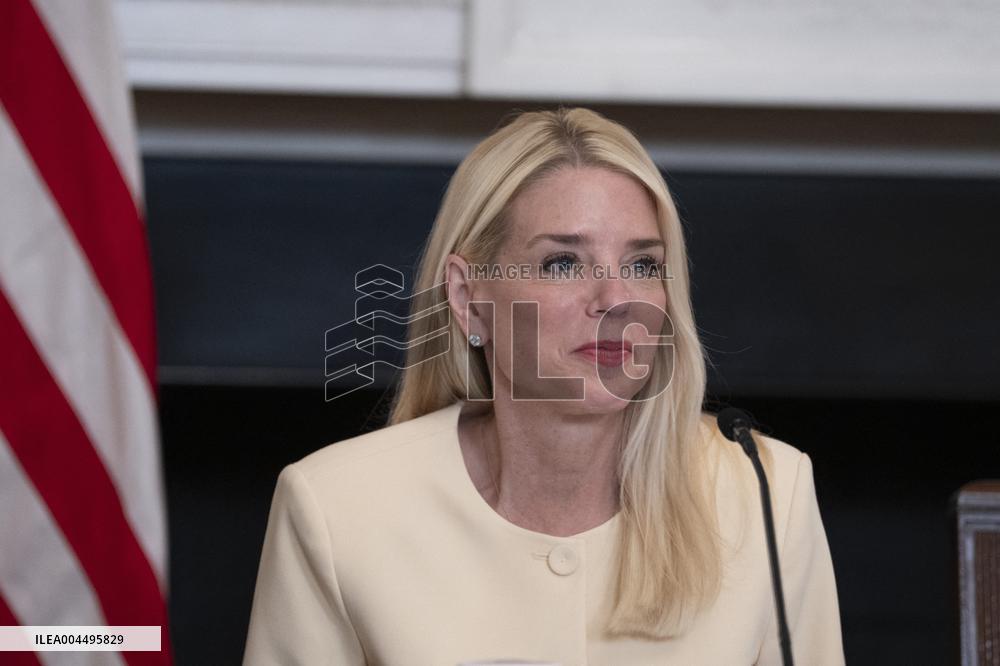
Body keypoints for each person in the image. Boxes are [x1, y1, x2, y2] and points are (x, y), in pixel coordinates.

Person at [243, 107, 845, 665]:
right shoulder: (335, 507)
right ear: (468, 298)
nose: (615, 301)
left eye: (642, 265)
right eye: (564, 263)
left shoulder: (769, 492)